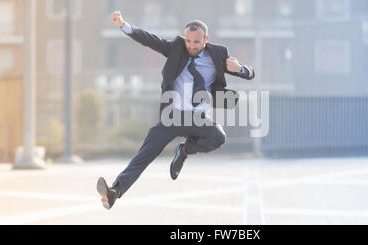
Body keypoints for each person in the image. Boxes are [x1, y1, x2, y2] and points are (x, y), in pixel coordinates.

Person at [97, 11, 255, 210]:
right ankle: (115, 192)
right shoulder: (176, 48)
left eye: (196, 42)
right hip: (171, 116)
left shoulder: (219, 54)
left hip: (199, 118)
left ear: (206, 39)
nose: (191, 46)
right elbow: (148, 39)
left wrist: (241, 68)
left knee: (218, 137)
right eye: (188, 41)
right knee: (144, 155)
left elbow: (250, 74)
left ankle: (185, 149)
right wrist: (123, 24)